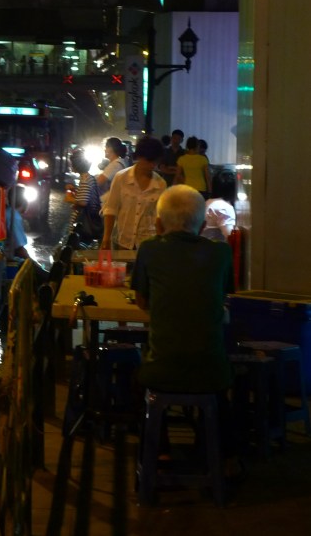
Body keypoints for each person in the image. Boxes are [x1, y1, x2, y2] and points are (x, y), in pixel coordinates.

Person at [130, 185, 237, 471]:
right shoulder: (222, 253)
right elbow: (222, 296)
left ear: (158, 223)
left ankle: (159, 450)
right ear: (203, 225)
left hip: (162, 369)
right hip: (213, 370)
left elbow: (142, 301)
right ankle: (214, 450)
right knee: (215, 384)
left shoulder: (149, 249)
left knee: (140, 375)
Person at [100, 136, 167, 250]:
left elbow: (159, 217)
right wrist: (106, 239)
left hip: (147, 245)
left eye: (155, 162)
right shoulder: (121, 178)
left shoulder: (160, 184)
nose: (152, 166)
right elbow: (111, 210)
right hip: (122, 242)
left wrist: (161, 244)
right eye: (149, 161)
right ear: (139, 157)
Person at [65, 149, 102, 243]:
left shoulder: (85, 180)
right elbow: (85, 196)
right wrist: (75, 190)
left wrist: (70, 199)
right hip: (84, 225)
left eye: (72, 163)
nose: (70, 165)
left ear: (77, 165)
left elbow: (83, 202)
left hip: (82, 226)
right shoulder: (88, 177)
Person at [95, 137, 129, 204]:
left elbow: (98, 182)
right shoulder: (118, 163)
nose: (105, 150)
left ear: (111, 149)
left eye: (106, 147)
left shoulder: (115, 165)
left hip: (108, 204)